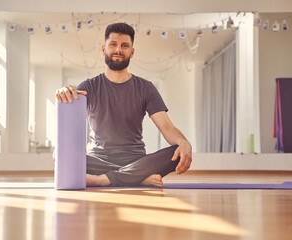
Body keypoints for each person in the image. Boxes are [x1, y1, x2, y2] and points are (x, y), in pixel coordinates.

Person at [55, 22, 192, 187]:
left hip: (136, 160)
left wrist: (184, 143)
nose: (118, 50)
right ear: (104, 49)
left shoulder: (146, 88)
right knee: (59, 154)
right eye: (113, 44)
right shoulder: (88, 87)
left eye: (124, 46)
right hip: (99, 160)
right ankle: (137, 178)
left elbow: (168, 129)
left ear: (132, 52)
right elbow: (69, 131)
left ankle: (102, 180)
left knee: (175, 153)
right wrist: (65, 93)